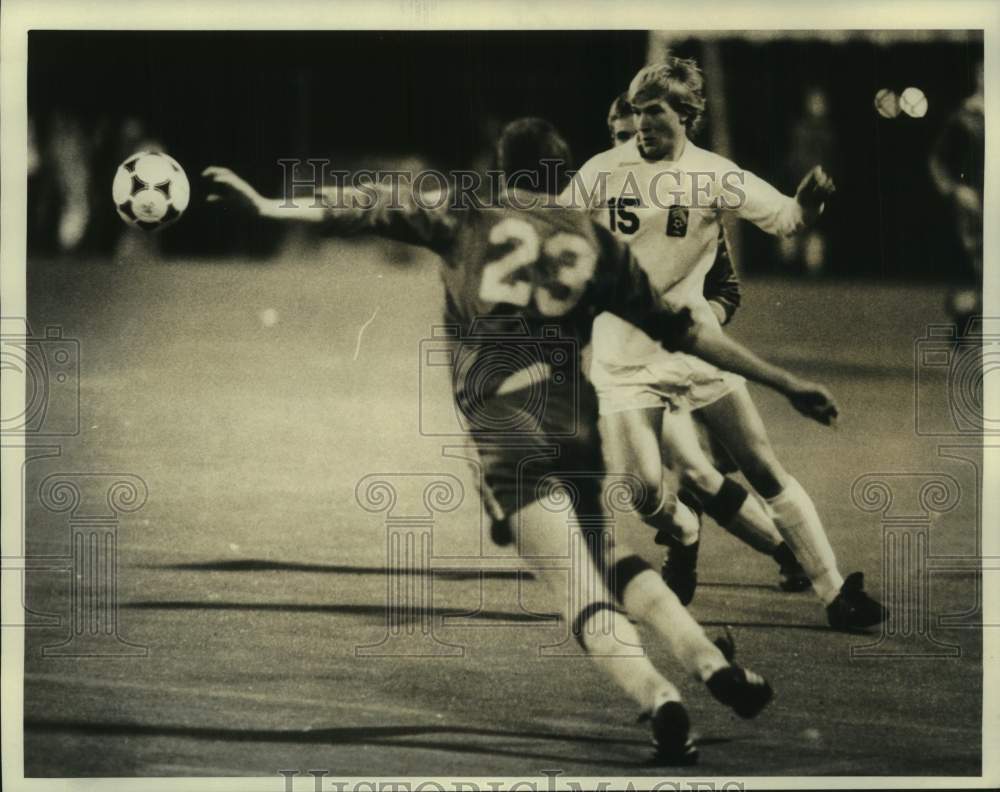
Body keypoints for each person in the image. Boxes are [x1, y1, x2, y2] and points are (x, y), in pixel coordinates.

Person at [202, 117, 839, 763]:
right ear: (564, 176)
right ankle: (707, 659)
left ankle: (659, 700)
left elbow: (361, 205)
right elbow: (686, 331)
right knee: (610, 558)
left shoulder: (468, 210)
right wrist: (784, 381)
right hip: (573, 419)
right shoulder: (596, 242)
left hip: (507, 423)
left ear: (503, 169)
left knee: (576, 591)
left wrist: (262, 204)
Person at [566, 58, 887, 631]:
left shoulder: (715, 174)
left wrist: (809, 203)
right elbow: (558, 230)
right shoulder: (600, 171)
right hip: (622, 354)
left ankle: (836, 592)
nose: (642, 124)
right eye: (637, 112)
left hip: (696, 348)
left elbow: (787, 219)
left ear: (686, 114)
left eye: (655, 112)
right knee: (641, 492)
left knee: (763, 469)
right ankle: (685, 529)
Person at [603, 94, 810, 595]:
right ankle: (771, 551)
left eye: (634, 134)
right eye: (619, 136)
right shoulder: (603, 198)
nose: (629, 145)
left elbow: (727, 290)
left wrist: (689, 334)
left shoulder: (688, 210)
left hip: (677, 361)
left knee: (700, 469)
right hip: (617, 362)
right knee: (684, 473)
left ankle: (724, 547)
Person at [929, 59, 984, 336]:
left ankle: (964, 309)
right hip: (975, 207)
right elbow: (938, 160)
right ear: (978, 76)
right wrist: (955, 189)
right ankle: (964, 310)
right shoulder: (964, 116)